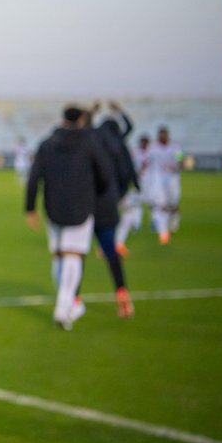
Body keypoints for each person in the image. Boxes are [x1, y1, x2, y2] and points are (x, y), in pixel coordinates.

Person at [24, 105, 114, 329]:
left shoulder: (48, 144)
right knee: (72, 254)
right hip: (81, 205)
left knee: (58, 255)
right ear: (81, 119)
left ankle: (69, 305)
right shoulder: (89, 143)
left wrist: (30, 207)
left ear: (63, 119)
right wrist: (96, 194)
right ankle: (64, 307)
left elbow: (34, 176)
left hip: (53, 206)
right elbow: (105, 173)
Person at [89, 103, 136, 317]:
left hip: (85, 204)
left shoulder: (93, 142)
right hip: (109, 205)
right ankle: (123, 295)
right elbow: (130, 127)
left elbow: (82, 127)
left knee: (74, 255)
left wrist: (92, 111)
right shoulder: (119, 144)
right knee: (111, 255)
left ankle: (72, 300)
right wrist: (120, 111)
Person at [144, 126, 183, 244]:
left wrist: (178, 165)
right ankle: (162, 229)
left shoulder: (175, 146)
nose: (162, 137)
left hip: (172, 177)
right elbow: (146, 161)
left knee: (173, 201)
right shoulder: (152, 147)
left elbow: (180, 159)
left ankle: (174, 219)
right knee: (160, 203)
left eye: (164, 135)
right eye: (160, 135)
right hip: (157, 178)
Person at [116, 134, 152, 252]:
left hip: (149, 181)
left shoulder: (153, 151)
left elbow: (178, 155)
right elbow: (130, 168)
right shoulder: (133, 152)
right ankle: (117, 242)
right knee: (133, 206)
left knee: (148, 204)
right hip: (125, 187)